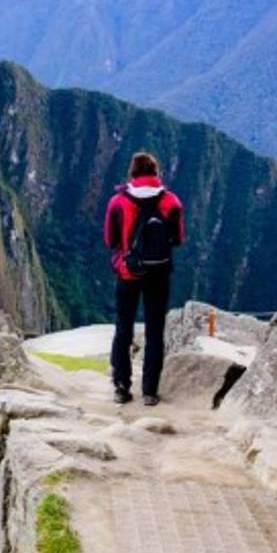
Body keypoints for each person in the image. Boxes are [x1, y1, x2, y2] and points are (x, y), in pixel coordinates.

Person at [103, 152, 184, 405]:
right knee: (155, 333)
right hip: (159, 273)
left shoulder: (118, 202)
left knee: (123, 329)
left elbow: (110, 240)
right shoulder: (171, 201)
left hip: (128, 272)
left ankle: (121, 387)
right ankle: (149, 392)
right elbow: (178, 239)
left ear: (133, 173)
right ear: (156, 172)